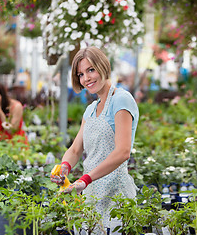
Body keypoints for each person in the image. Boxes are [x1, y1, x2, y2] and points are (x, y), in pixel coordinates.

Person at [50, 47, 139, 232]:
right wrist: (64, 168)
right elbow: (75, 150)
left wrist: (86, 179)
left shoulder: (121, 99)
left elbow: (123, 152)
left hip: (115, 194)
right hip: (90, 193)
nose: (86, 78)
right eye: (81, 74)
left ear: (103, 66)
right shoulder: (90, 109)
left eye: (91, 70)